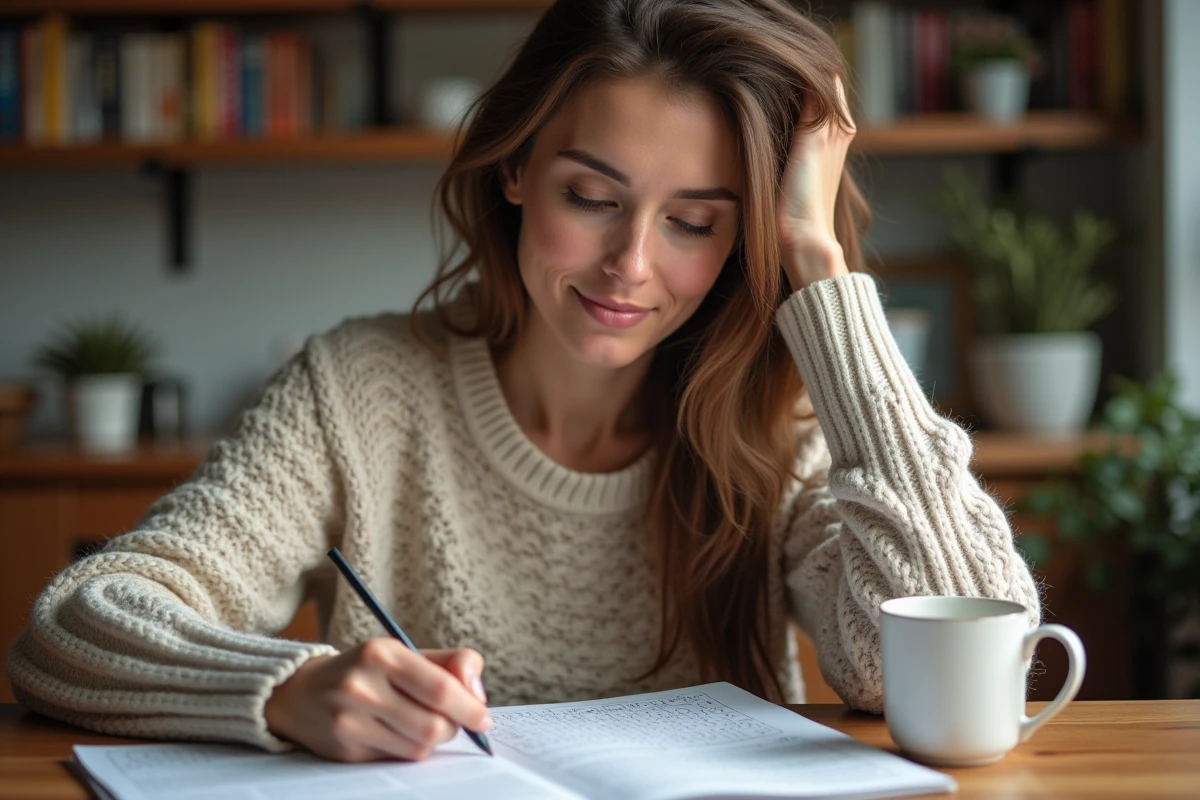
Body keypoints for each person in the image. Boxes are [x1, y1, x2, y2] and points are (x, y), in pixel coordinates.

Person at [7, 0, 1041, 765]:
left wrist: (817, 259)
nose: (630, 264)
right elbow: (76, 625)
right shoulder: (359, 391)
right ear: (514, 170)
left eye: (694, 222)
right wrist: (285, 686)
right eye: (591, 197)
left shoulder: (780, 420)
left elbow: (960, 668)